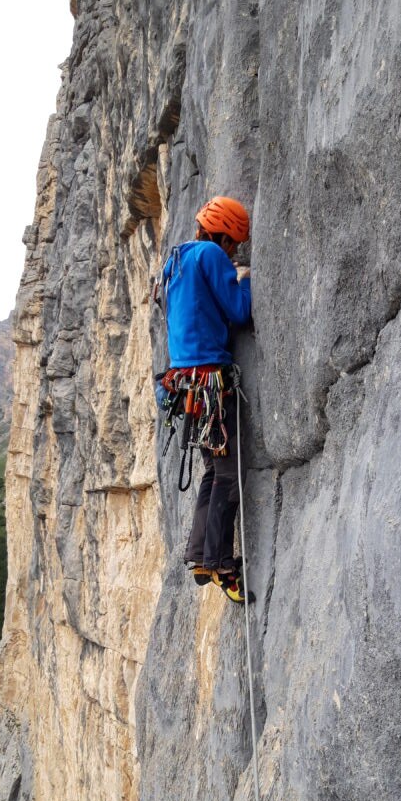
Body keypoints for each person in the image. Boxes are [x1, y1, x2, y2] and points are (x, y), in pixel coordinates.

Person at [160, 196, 252, 601]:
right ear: (226, 236)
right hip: (211, 381)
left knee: (213, 472)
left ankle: (199, 554)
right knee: (228, 473)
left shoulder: (175, 261)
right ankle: (219, 562)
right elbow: (239, 311)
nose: (233, 252)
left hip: (185, 384)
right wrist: (243, 278)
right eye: (234, 244)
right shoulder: (212, 255)